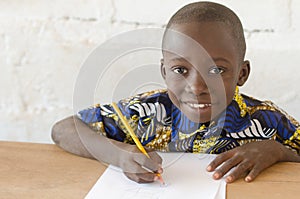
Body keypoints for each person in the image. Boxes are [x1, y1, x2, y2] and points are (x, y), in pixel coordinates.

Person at [51, 1, 300, 184]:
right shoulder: (146, 113)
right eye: (180, 69)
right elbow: (63, 130)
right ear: (164, 71)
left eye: (216, 70)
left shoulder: (265, 120)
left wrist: (277, 151)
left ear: (241, 74)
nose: (196, 87)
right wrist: (121, 154)